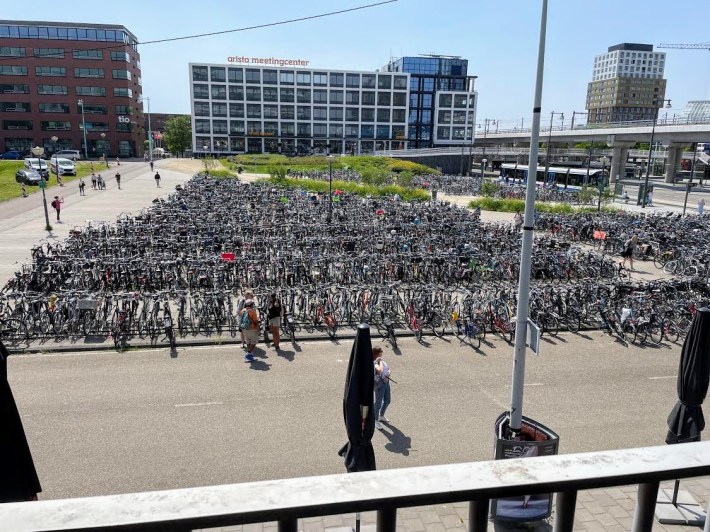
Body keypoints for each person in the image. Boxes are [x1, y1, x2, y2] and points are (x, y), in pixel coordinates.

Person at [373, 346, 391, 430]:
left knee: (387, 400)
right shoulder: (375, 363)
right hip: (380, 385)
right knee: (378, 404)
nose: (382, 353)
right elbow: (380, 370)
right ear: (376, 353)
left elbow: (388, 369)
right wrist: (379, 362)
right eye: (380, 352)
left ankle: (381, 415)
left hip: (386, 383)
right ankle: (376, 420)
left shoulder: (382, 360)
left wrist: (388, 374)